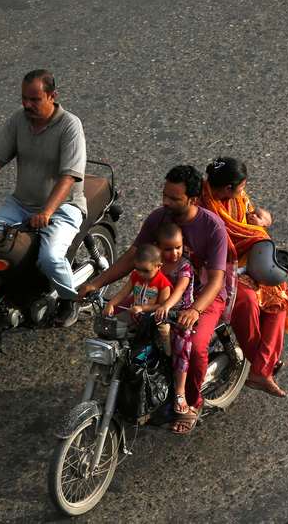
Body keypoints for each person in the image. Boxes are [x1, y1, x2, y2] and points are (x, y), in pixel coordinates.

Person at [79, 165, 228, 434]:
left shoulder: (212, 227)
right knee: (116, 325)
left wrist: (194, 310)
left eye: (174, 198)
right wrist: (96, 284)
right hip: (154, 290)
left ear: (193, 199)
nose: (165, 202)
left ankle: (190, 402)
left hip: (201, 296)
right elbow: (132, 258)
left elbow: (217, 279)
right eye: (165, 195)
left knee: (193, 346)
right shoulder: (158, 219)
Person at [0, 69, 86, 326]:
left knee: (50, 258)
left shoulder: (70, 125)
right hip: (20, 204)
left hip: (62, 209)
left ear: (52, 96)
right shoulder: (18, 121)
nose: (27, 104)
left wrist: (47, 211)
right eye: (24, 98)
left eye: (35, 99)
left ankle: (70, 300)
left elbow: (68, 177)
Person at [200, 157, 288, 397]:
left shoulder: (234, 198)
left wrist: (263, 221)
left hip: (245, 262)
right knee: (245, 300)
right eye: (241, 187)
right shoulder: (202, 207)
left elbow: (257, 214)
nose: (243, 191)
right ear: (227, 188)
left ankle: (260, 369)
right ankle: (262, 367)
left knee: (278, 296)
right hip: (216, 268)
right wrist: (257, 232)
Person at [153, 223, 195, 415]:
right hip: (159, 311)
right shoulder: (156, 265)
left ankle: (180, 391)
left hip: (180, 315)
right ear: (158, 248)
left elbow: (179, 290)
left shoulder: (184, 266)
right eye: (168, 249)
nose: (174, 253)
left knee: (181, 345)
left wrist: (167, 305)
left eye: (178, 247)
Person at [102, 244, 172, 350]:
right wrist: (111, 303)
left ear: (158, 266)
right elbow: (123, 293)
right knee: (113, 324)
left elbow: (161, 305)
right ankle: (120, 348)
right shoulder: (135, 276)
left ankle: (168, 355)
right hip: (134, 313)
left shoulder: (163, 283)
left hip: (153, 317)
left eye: (146, 270)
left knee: (165, 332)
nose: (141, 274)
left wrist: (143, 308)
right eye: (138, 269)